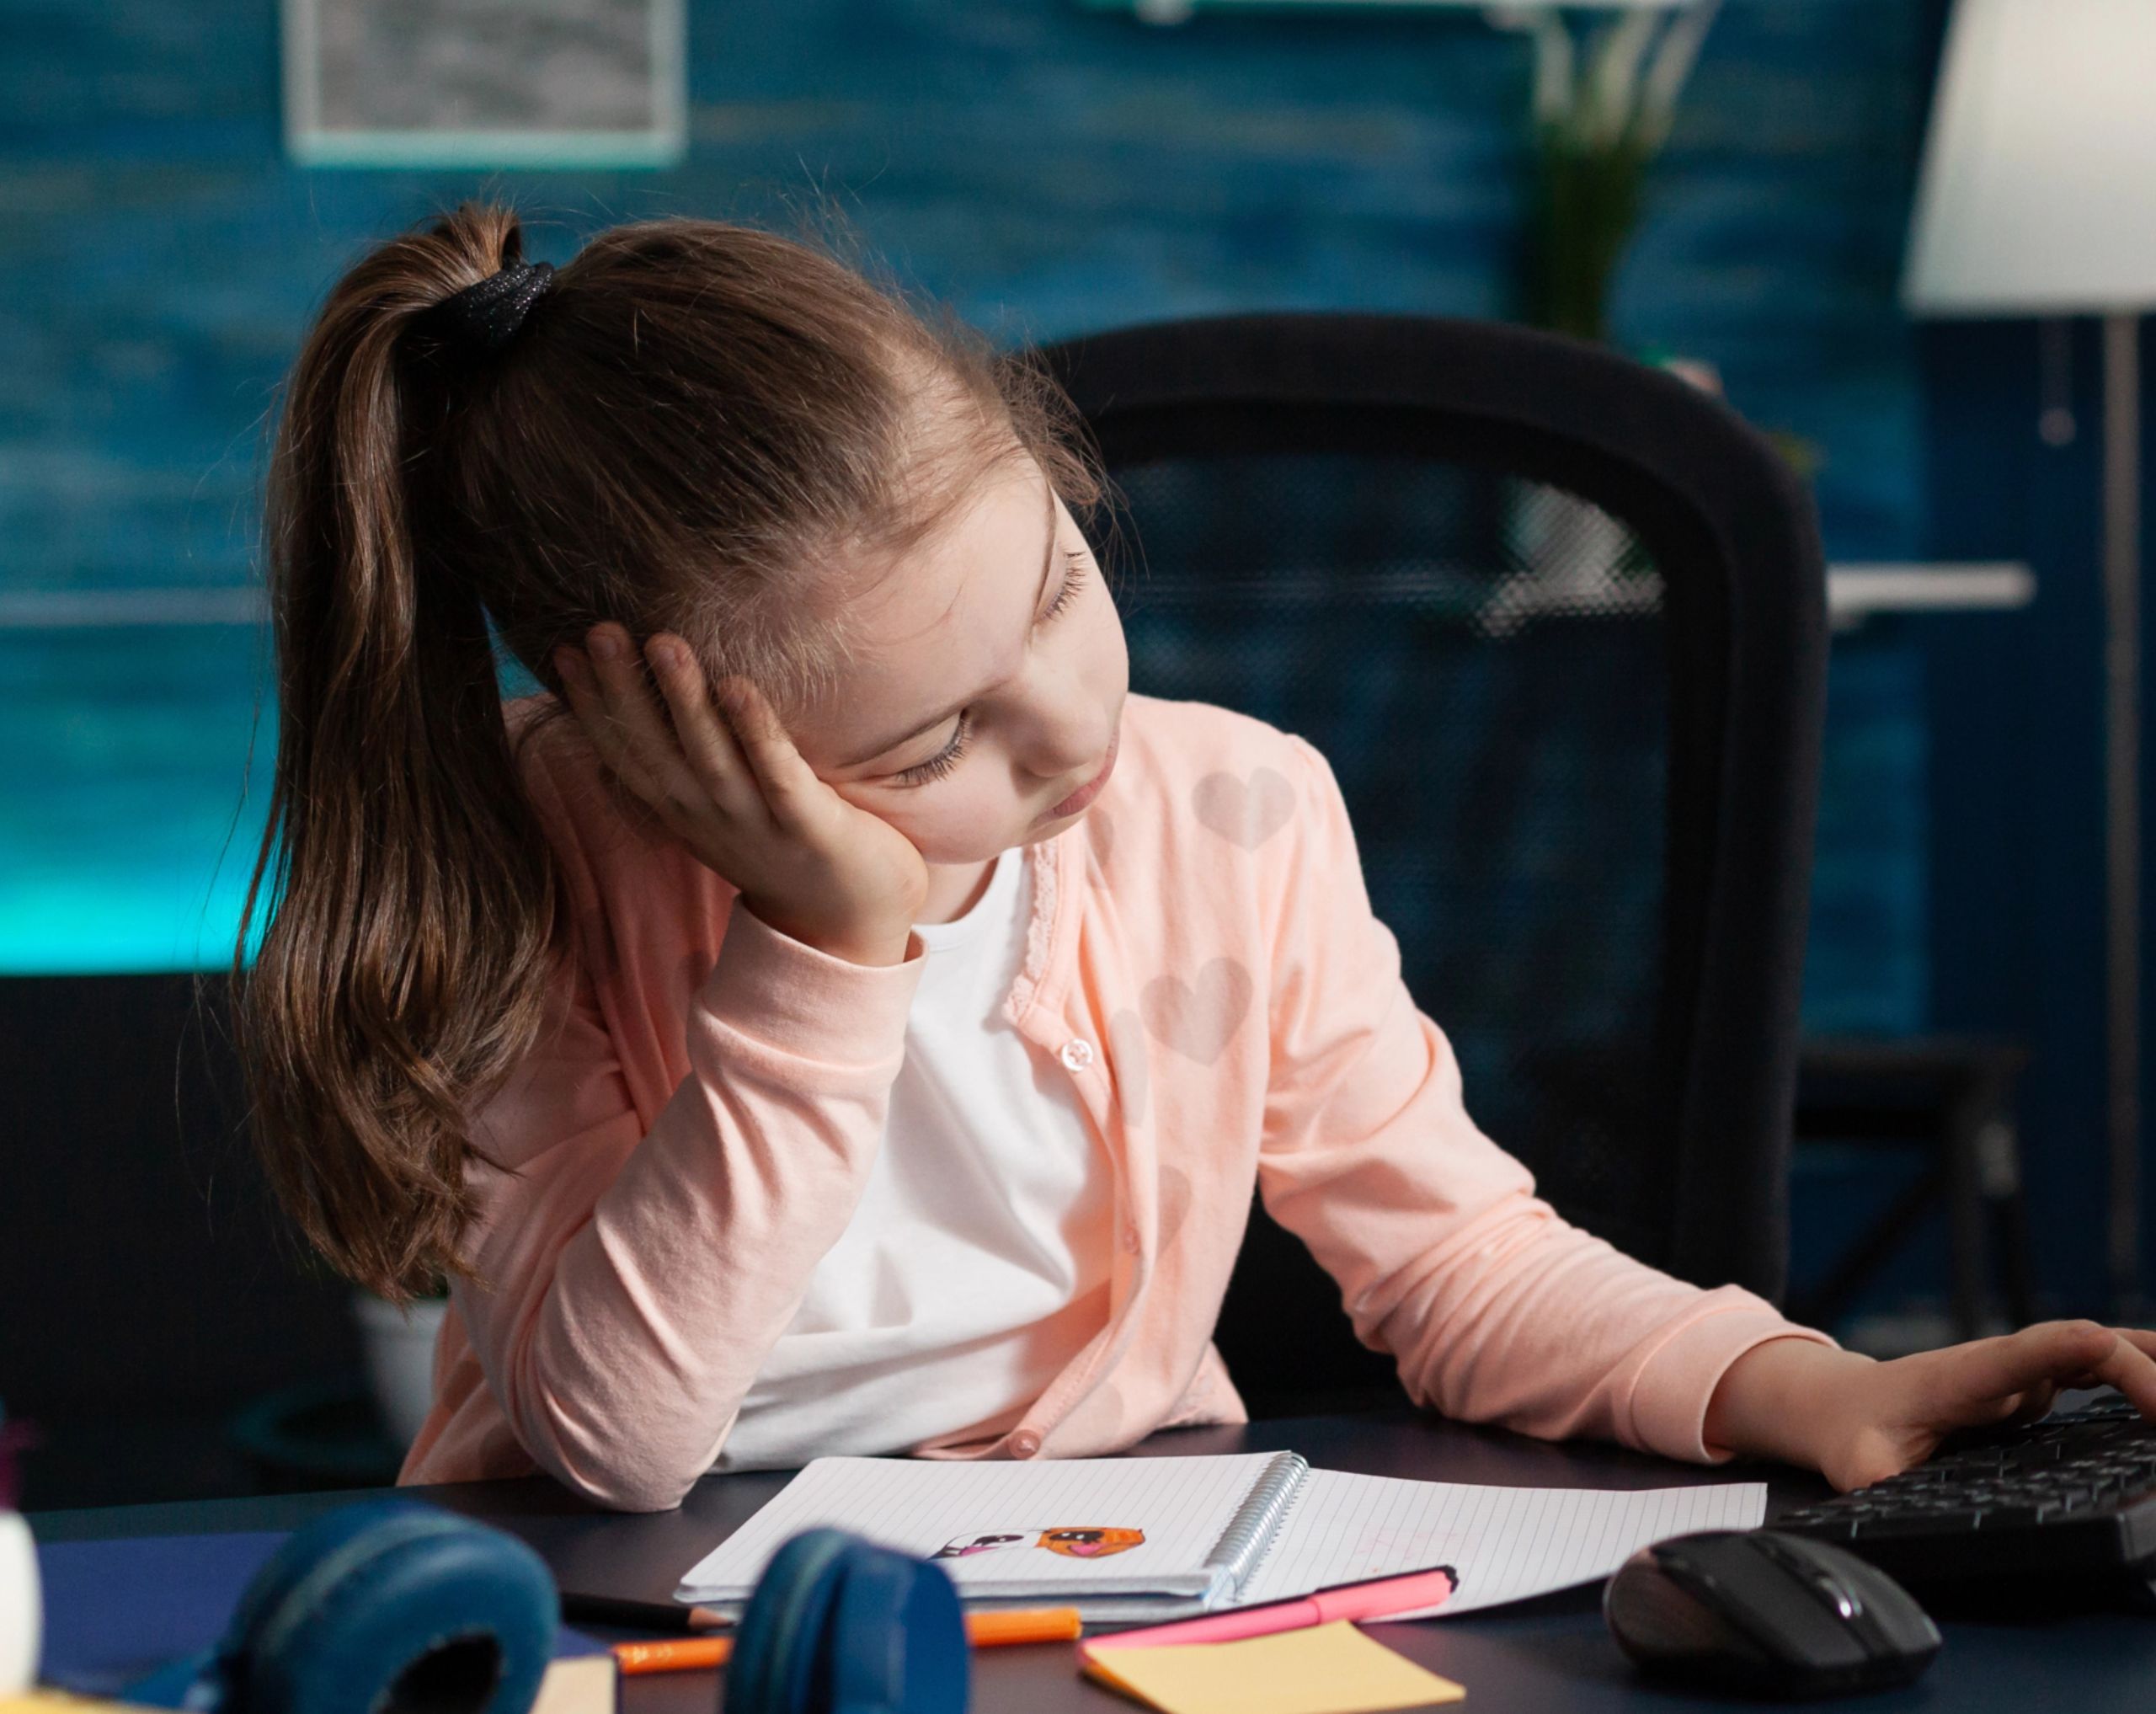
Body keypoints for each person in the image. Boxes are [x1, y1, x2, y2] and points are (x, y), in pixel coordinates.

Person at [236, 203, 2156, 1513]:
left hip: (1107, 1584)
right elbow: (614, 1443)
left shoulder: (1226, 809)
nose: (1069, 728)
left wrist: (1802, 1382)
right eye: (929, 745)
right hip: (638, 1603)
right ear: (654, 757)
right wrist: (822, 943)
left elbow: (1458, 1259)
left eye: (1060, 589)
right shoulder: (523, 863)